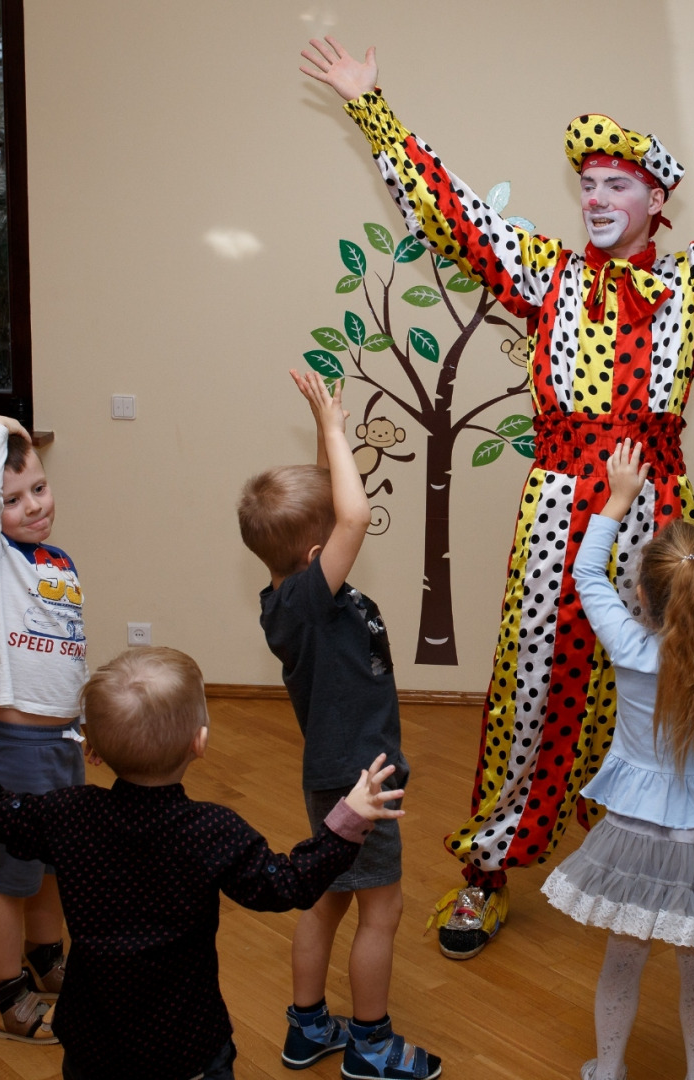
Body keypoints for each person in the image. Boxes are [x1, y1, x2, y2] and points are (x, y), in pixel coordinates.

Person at [299, 34, 694, 958]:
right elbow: (452, 214)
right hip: (561, 502)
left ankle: (634, 832)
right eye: (588, 186)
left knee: (661, 676)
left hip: (658, 509)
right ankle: (488, 869)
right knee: (532, 686)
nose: (597, 201)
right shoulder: (545, 273)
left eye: (616, 186)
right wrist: (372, 105)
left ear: (656, 200)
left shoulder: (690, 285)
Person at [0, 650, 401, 1080]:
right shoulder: (211, 831)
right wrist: (346, 822)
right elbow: (286, 885)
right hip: (188, 1046)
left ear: (88, 747)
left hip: (94, 1042)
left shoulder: (68, 815)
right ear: (199, 743)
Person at [539, 436, 694, 1080]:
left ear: (644, 599)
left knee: (623, 959)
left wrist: (618, 498)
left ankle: (610, 1069)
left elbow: (587, 574)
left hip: (632, 834)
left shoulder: (628, 643)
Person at [237, 371, 437, 1079]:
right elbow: (349, 518)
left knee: (324, 902)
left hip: (333, 778)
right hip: (363, 783)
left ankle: (307, 1028)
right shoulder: (313, 604)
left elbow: (331, 515)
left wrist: (330, 443)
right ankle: (372, 1044)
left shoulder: (288, 595)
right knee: (380, 910)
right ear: (318, 556)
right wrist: (330, 430)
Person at [0, 413, 90, 1044]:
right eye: (12, 499)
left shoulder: (57, 560)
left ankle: (46, 958)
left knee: (53, 864)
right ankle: (4, 997)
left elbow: (66, 653)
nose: (33, 506)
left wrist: (85, 724)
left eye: (39, 488)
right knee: (11, 877)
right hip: (13, 748)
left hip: (62, 745)